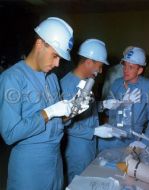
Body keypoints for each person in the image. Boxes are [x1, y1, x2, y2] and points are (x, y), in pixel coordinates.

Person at [0, 17, 89, 190]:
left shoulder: (53, 79)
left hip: (55, 161)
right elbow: (10, 133)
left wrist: (71, 111)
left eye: (60, 59)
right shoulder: (12, 78)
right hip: (30, 166)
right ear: (40, 44)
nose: (57, 64)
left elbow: (57, 121)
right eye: (55, 55)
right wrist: (48, 112)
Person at [60, 38, 117, 184]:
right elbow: (65, 125)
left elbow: (84, 109)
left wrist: (102, 105)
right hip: (77, 149)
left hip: (89, 145)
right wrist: (94, 131)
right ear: (89, 62)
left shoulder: (86, 82)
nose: (101, 70)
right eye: (100, 66)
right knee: (78, 183)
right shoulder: (67, 86)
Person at [98, 46, 149, 151]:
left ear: (140, 70)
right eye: (125, 66)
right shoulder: (117, 83)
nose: (126, 70)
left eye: (131, 67)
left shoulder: (148, 87)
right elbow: (108, 113)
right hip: (111, 134)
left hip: (133, 138)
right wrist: (120, 104)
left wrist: (145, 142)